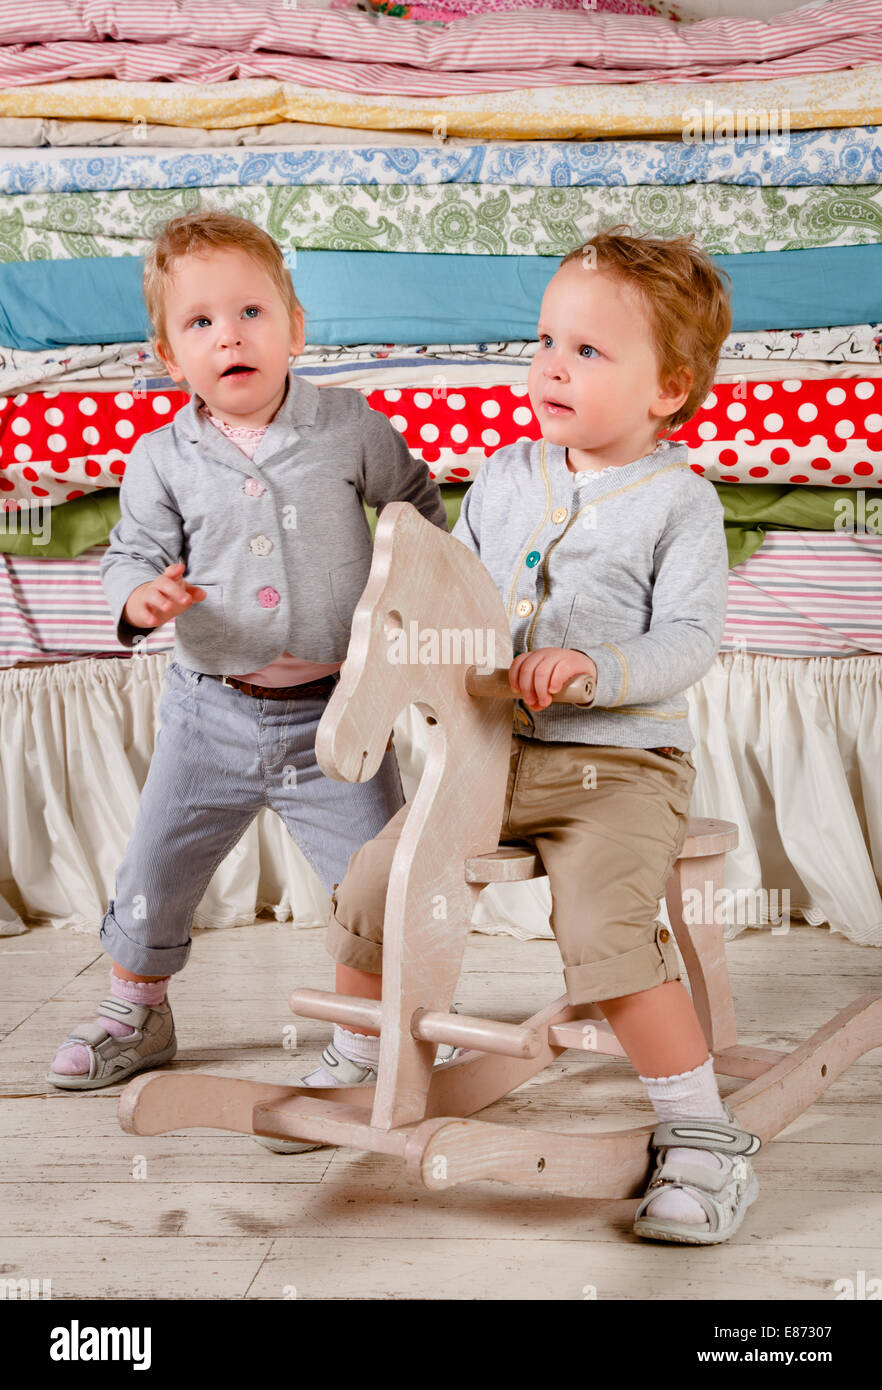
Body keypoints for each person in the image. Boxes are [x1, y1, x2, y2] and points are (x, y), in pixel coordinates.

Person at [284, 225, 763, 1245]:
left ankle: (702, 1132)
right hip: (496, 756)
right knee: (377, 878)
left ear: (667, 389)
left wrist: (595, 666)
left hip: (619, 766)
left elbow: (689, 641)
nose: (551, 363)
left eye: (589, 351)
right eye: (546, 338)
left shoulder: (681, 504)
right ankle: (363, 1053)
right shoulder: (504, 475)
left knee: (605, 927)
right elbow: (454, 586)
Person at [46, 209, 448, 1102]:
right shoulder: (162, 457)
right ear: (168, 353)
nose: (229, 336)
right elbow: (132, 551)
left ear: (295, 328)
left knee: (375, 882)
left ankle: (386, 1025)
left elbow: (418, 513)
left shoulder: (349, 427)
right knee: (155, 866)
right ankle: (135, 1009)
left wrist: (413, 606)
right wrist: (138, 594)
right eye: (200, 323)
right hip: (208, 710)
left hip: (338, 718)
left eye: (252, 314)